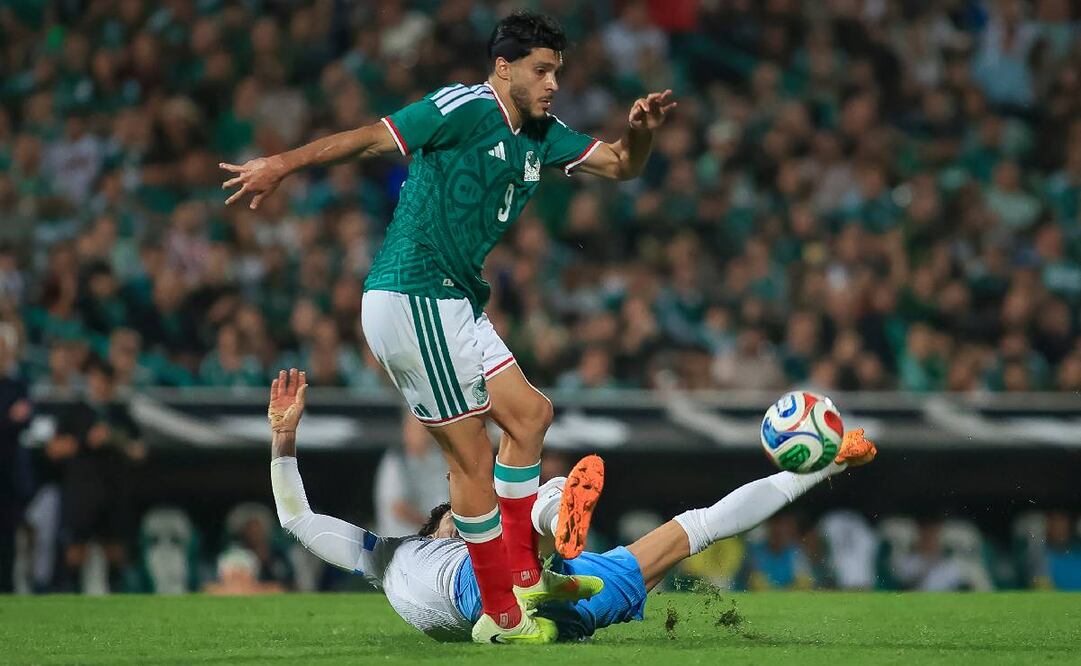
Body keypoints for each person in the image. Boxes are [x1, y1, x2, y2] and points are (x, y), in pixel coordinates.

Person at [225, 10, 676, 643]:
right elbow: (370, 138)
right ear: (503, 68)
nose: (552, 84)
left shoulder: (543, 136)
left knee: (531, 417)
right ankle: (501, 613)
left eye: (557, 72)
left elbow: (626, 165)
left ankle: (519, 568)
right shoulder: (463, 107)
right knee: (470, 460)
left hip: (455, 301)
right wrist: (282, 163)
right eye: (540, 71)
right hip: (413, 294)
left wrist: (642, 132)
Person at [266, 369, 877, 642]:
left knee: (694, 526)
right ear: (438, 526)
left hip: (518, 592)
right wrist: (283, 439)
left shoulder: (396, 560)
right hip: (532, 594)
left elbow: (297, 518)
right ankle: (552, 524)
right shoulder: (390, 551)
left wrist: (284, 442)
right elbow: (297, 518)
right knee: (694, 529)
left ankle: (547, 544)